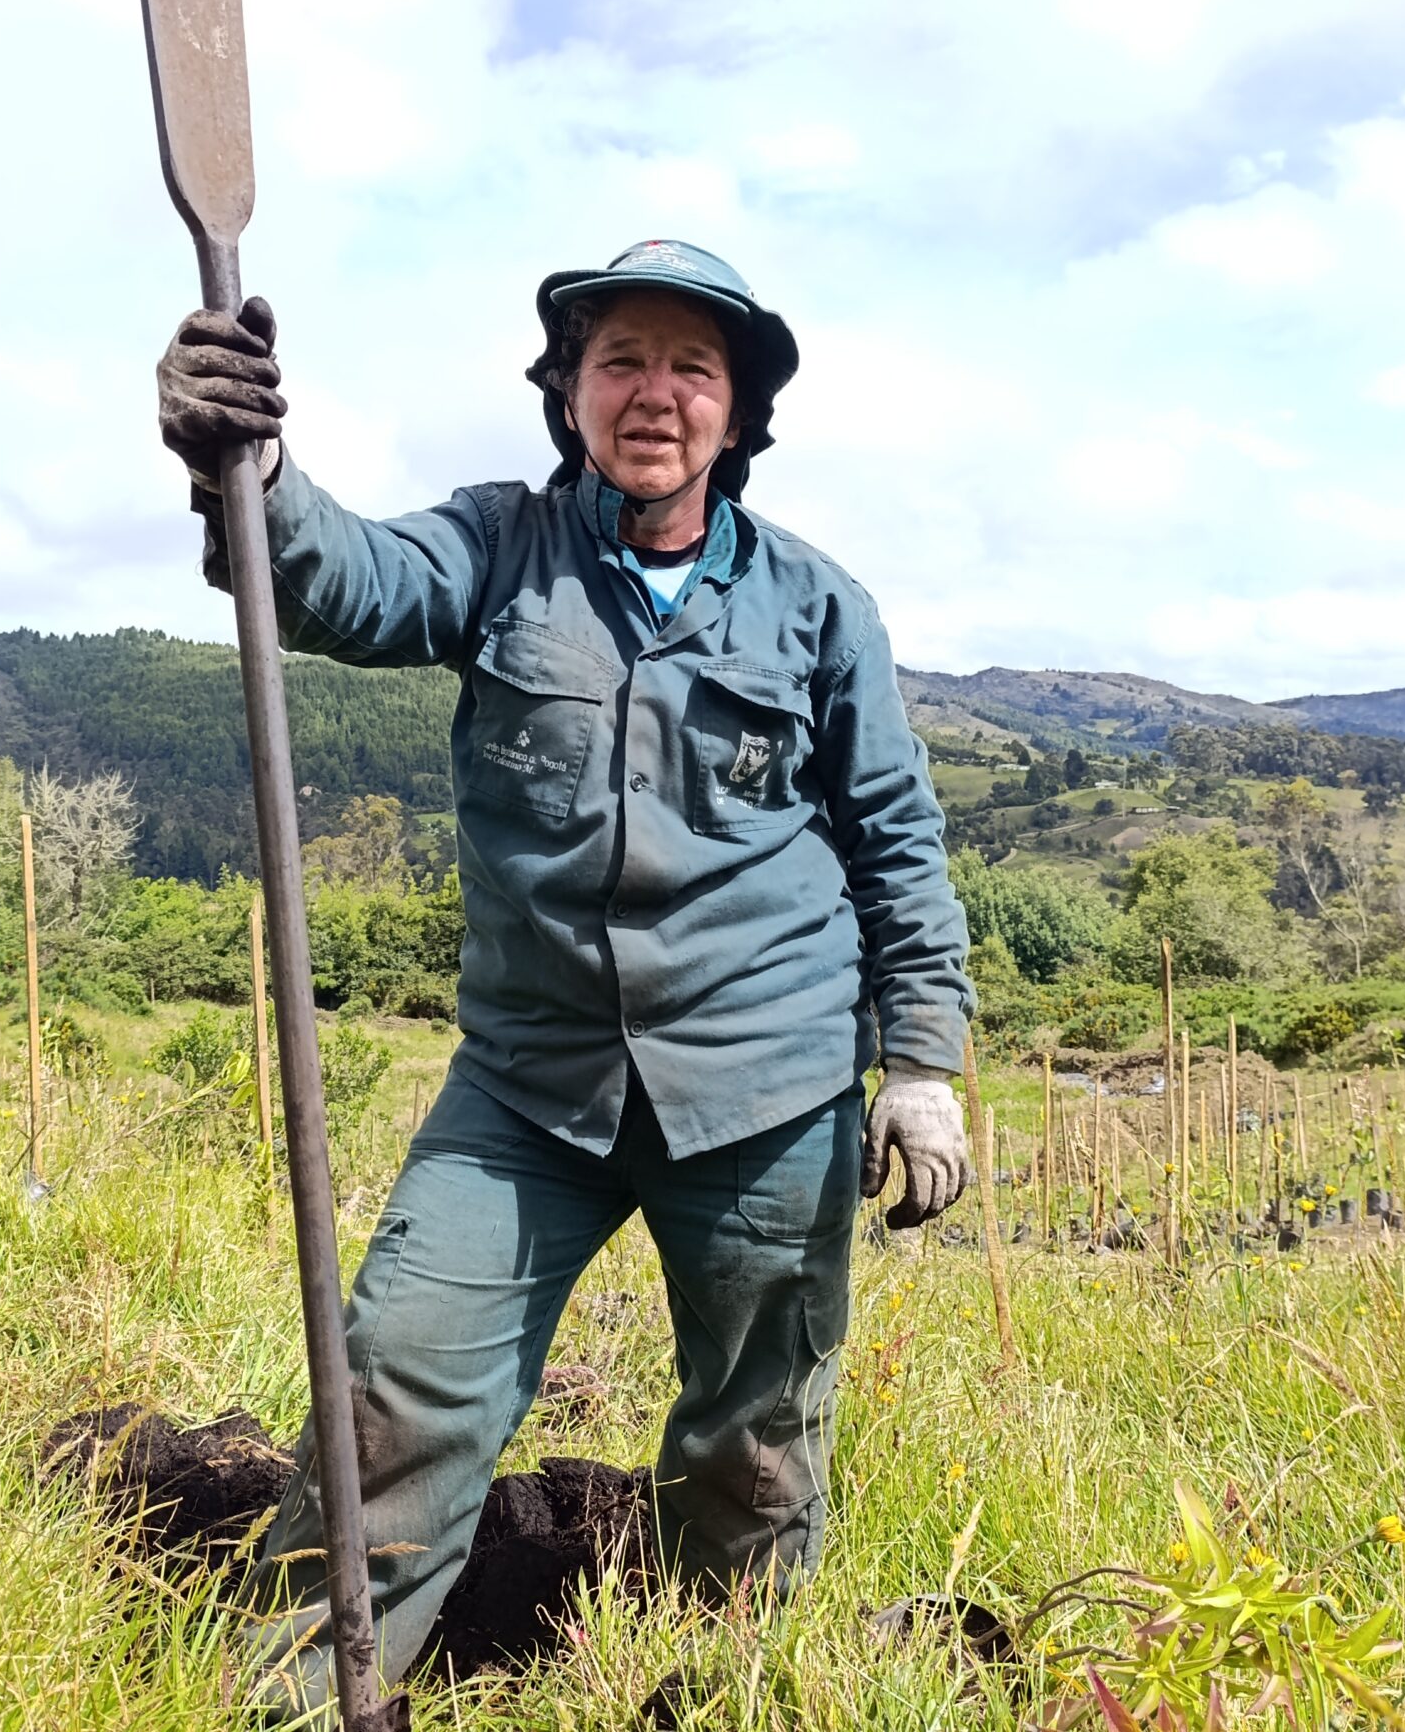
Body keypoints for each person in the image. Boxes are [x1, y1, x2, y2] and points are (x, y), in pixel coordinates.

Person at [156, 239, 975, 1709]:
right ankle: (287, 1700)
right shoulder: (498, 551)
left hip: (767, 1094)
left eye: (690, 368)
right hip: (530, 1090)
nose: (652, 394)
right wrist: (252, 471)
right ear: (570, 392)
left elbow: (896, 838)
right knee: (396, 1387)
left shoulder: (817, 607)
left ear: (739, 412)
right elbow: (344, 580)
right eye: (620, 362)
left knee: (757, 1437)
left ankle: (717, 1689)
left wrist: (920, 1063)